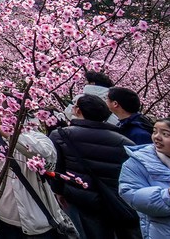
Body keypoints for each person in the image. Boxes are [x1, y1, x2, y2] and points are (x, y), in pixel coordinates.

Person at [49, 94, 139, 239]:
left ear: (79, 111)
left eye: (75, 105)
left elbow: (57, 169)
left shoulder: (61, 135)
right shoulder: (124, 141)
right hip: (114, 199)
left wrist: (58, 191)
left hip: (78, 197)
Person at [0, 112, 73, 239]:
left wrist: (0, 128)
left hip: (37, 225)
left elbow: (46, 157)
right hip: (0, 223)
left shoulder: (36, 137)